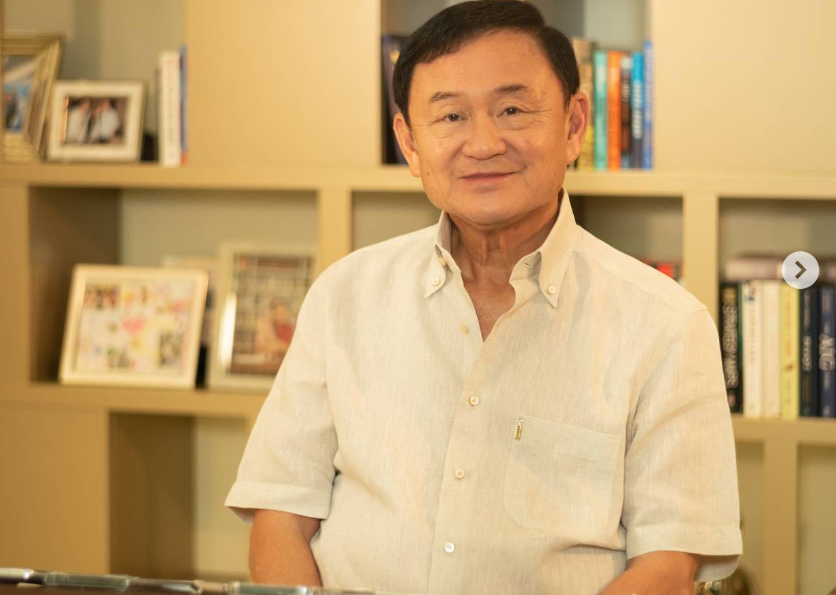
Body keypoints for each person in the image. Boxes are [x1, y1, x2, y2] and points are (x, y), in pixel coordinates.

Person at [226, 2, 741, 594]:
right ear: (409, 143)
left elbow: (669, 562)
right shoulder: (344, 294)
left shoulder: (667, 324)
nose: (484, 143)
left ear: (574, 125)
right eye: (450, 116)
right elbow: (280, 512)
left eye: (512, 110)